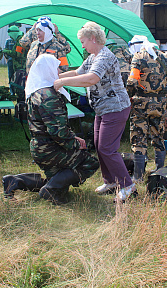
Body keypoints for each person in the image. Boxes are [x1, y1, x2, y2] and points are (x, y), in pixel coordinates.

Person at [53, 21, 135, 202]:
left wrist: (62, 82)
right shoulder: (92, 57)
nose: (82, 45)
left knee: (107, 148)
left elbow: (91, 78)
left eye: (83, 41)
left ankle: (127, 185)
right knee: (99, 146)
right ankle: (111, 182)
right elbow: (77, 73)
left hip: (115, 108)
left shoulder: (104, 56)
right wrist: (55, 76)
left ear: (92, 38)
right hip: (103, 109)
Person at [15, 53, 99, 204]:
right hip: (51, 149)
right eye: (57, 68)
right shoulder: (49, 96)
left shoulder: (36, 91)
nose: (59, 72)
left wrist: (73, 137)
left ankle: (15, 181)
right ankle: (50, 191)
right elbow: (58, 132)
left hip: (39, 148)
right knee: (90, 162)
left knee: (54, 180)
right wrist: (76, 145)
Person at [126, 35, 167, 181]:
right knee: (159, 135)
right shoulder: (164, 57)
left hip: (141, 104)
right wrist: (162, 86)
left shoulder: (139, 57)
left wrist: (129, 96)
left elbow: (132, 81)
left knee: (139, 137)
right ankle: (159, 171)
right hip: (161, 103)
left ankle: (138, 176)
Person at [3, 25, 26, 101]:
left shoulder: (20, 41)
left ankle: (21, 104)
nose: (11, 38)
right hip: (19, 67)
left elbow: (17, 54)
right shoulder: (20, 40)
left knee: (20, 88)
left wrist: (5, 51)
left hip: (21, 68)